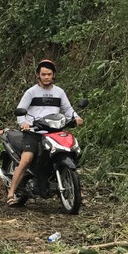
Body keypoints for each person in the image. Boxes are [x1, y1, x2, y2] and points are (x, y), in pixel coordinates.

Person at [6, 59, 83, 205]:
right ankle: (11, 193)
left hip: (54, 132)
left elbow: (68, 110)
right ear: (38, 76)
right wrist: (23, 123)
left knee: (67, 150)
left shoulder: (59, 92)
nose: (46, 77)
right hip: (34, 132)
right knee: (26, 159)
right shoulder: (31, 92)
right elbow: (20, 111)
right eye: (43, 74)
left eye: (49, 74)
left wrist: (76, 118)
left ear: (53, 75)